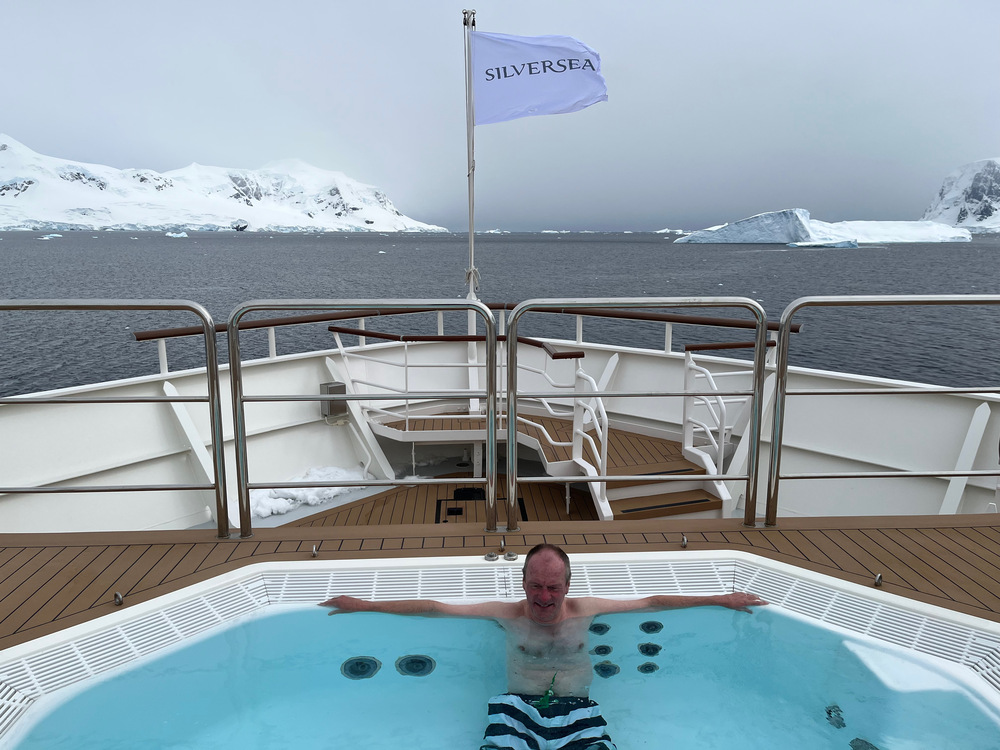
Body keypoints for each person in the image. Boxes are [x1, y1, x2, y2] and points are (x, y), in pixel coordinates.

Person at [320, 543, 766, 750]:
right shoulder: (506, 614)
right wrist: (362, 603)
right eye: (535, 586)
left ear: (568, 586)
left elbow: (652, 601)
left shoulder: (586, 610)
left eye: (554, 587)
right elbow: (435, 607)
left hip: (579, 709)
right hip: (516, 707)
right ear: (524, 583)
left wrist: (721, 598)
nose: (544, 598)